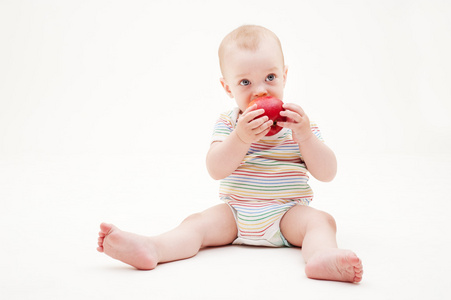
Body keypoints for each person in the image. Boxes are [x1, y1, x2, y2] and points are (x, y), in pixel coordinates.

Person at [97, 25, 363, 283]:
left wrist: (304, 136)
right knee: (196, 223)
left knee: (321, 221)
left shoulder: (298, 123)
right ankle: (153, 247)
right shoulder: (229, 123)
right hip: (235, 215)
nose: (260, 90)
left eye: (270, 78)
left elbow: (327, 173)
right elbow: (215, 169)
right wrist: (241, 137)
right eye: (245, 82)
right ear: (228, 88)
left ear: (284, 75)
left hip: (288, 215)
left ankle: (321, 257)